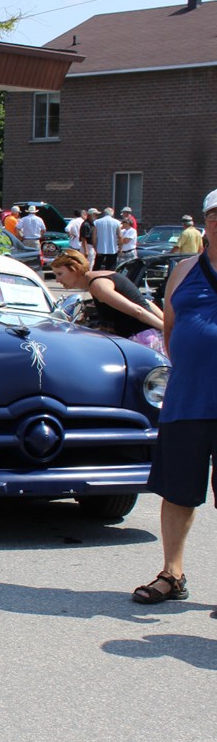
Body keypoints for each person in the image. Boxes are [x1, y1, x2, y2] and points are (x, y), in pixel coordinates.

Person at [131, 188, 217, 604]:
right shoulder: (184, 269)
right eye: (215, 215)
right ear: (205, 224)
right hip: (188, 397)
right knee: (178, 491)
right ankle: (172, 573)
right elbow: (170, 327)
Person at [50, 249, 165, 354]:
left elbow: (138, 310)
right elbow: (144, 302)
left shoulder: (97, 285)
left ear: (75, 269)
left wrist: (168, 329)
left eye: (60, 274)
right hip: (149, 336)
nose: (57, 280)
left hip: (142, 340)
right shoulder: (102, 276)